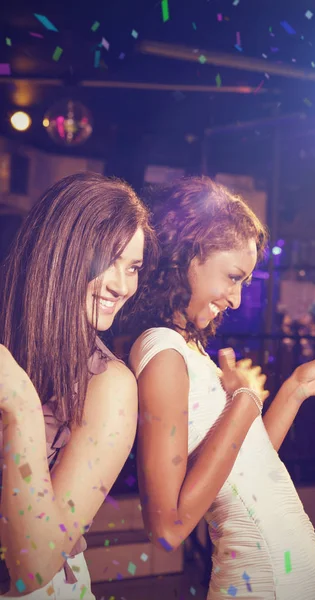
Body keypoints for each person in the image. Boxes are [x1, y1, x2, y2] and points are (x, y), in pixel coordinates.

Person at [128, 176, 315, 600]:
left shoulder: (190, 351)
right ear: (189, 254)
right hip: (260, 582)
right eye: (232, 277)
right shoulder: (162, 354)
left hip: (284, 578)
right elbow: (166, 530)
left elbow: (244, 467)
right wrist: (244, 399)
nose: (238, 299)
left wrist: (295, 388)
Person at [0, 172, 157, 599]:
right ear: (56, 252)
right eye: (106, 259)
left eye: (133, 268)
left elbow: (34, 566)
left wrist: (21, 406)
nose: (120, 286)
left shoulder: (109, 387)